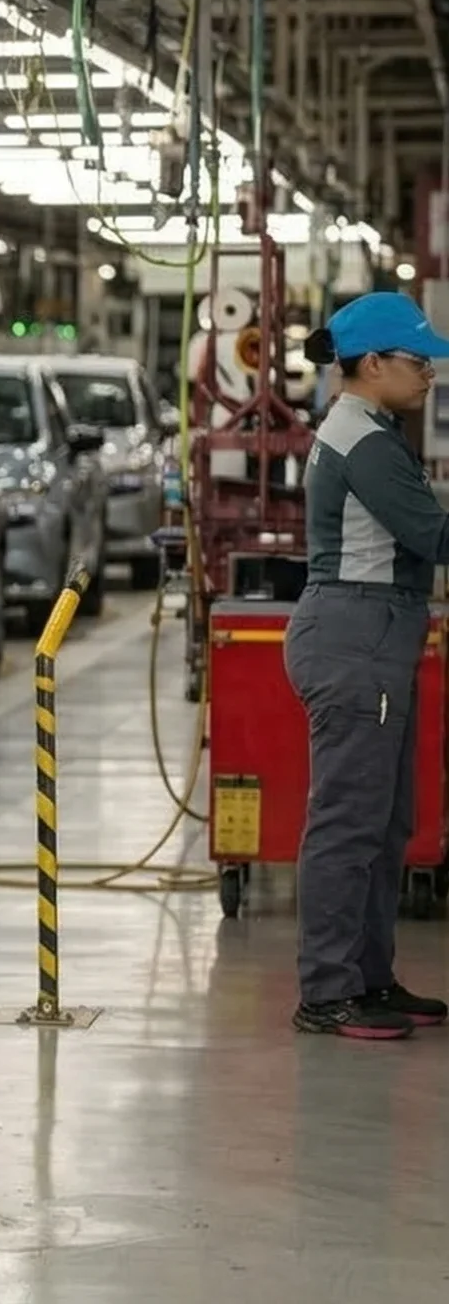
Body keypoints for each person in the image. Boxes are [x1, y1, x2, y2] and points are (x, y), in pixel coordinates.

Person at [287, 291, 449, 1039]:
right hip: (357, 630)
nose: (430, 376)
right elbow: (434, 534)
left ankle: (369, 977)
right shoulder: (368, 444)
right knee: (349, 821)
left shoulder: (366, 428)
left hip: (372, 628)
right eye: (419, 363)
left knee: (385, 822)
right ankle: (327, 992)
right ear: (373, 364)